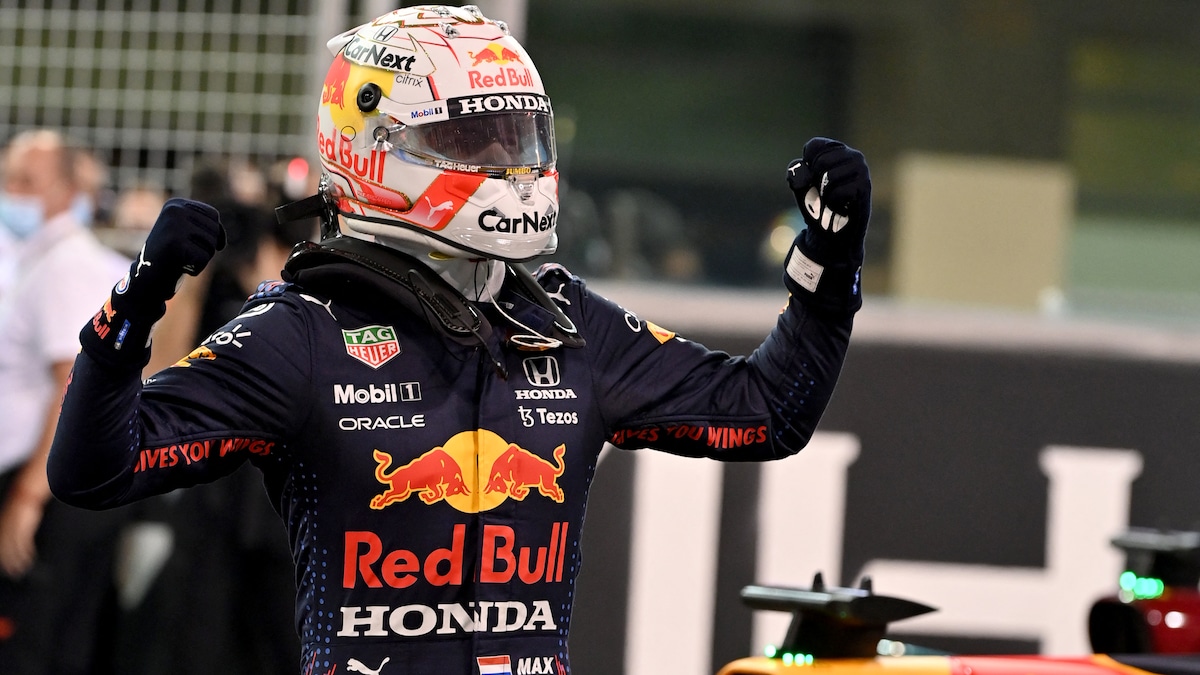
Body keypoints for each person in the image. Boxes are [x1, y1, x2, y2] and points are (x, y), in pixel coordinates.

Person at [47, 5, 871, 674]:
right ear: (373, 147)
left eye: (520, 136)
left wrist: (827, 269)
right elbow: (94, 469)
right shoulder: (299, 332)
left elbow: (769, 411)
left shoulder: (567, 321)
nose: (510, 163)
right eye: (474, 139)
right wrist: (136, 304)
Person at [0, 129, 131, 674]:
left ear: (68, 190)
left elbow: (74, 384)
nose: (12, 192)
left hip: (53, 490)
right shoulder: (57, 258)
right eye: (9, 179)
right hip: (65, 481)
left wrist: (29, 497)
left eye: (27, 181)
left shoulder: (66, 264)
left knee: (35, 644)